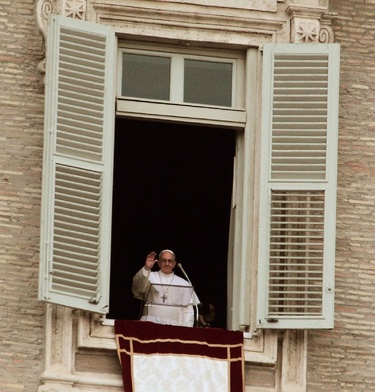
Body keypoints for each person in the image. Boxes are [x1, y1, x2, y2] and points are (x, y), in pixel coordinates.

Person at [132, 249, 200, 327]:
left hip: (174, 326)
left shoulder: (184, 283)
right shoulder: (149, 276)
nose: (167, 263)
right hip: (150, 324)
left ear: (174, 264)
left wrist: (186, 330)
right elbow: (138, 287)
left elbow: (189, 311)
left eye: (170, 261)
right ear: (159, 263)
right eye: (164, 260)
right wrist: (146, 268)